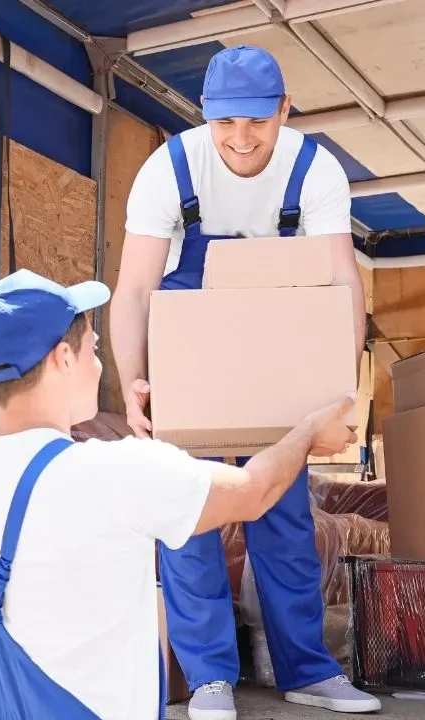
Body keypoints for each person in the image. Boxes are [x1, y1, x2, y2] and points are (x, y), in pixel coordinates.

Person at [0, 268, 359, 719]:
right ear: (62, 358)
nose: (98, 366)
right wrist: (308, 431)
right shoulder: (114, 470)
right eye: (93, 350)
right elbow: (255, 491)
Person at [108, 45, 378, 718]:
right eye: (226, 123)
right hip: (189, 349)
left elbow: (342, 279)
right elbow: (136, 286)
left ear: (284, 110)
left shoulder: (315, 169)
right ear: (205, 116)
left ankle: (306, 672)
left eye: (257, 121)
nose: (241, 138)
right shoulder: (168, 169)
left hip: (275, 347)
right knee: (193, 515)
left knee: (283, 517)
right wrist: (132, 381)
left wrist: (339, 390)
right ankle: (208, 680)